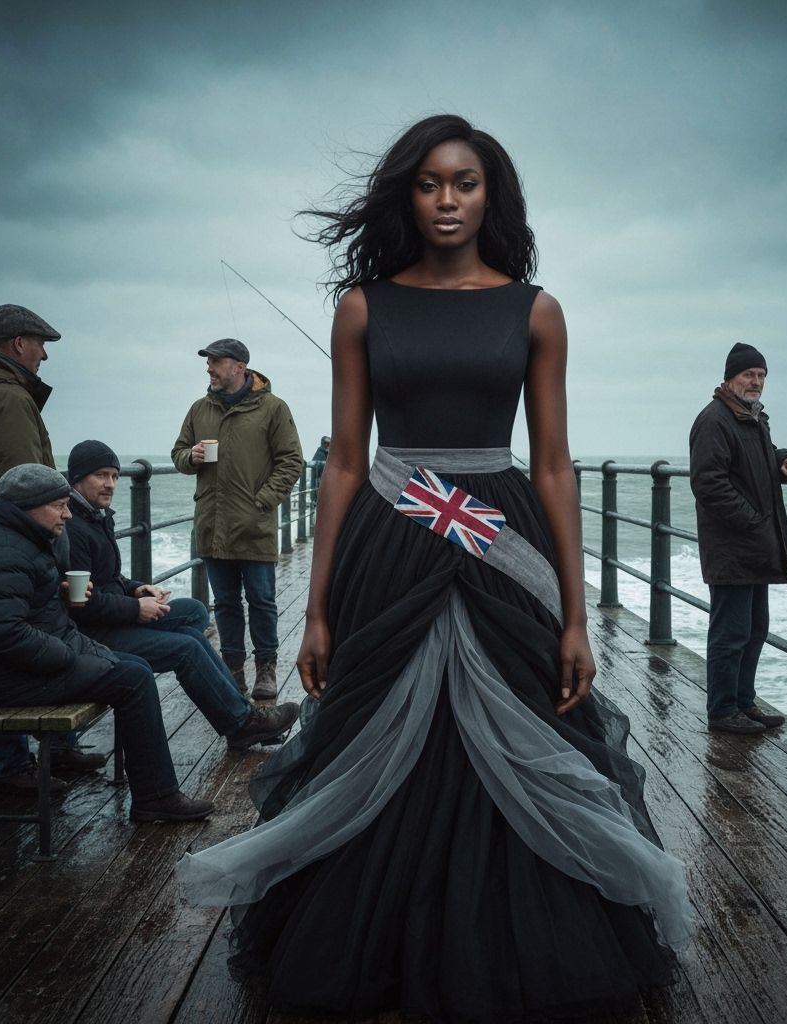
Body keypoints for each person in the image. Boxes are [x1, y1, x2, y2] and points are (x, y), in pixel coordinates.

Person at [178, 114, 692, 1020]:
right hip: (394, 539)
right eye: (428, 184)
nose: (447, 200)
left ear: (491, 195)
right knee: (374, 725)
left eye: (465, 183)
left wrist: (574, 613)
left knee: (523, 724)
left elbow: (555, 464)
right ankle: (371, 939)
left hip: (503, 546)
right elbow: (343, 460)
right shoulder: (363, 307)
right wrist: (317, 610)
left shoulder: (535, 309)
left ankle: (522, 941)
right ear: (406, 196)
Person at [0, 464, 214, 822]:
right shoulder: (3, 554)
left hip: (29, 662)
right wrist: (70, 653)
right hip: (9, 677)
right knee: (133, 679)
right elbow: (5, 636)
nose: (68, 513)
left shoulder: (14, 538)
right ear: (30, 505)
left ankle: (156, 793)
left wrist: (62, 599)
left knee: (133, 669)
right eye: (59, 505)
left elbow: (20, 610)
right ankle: (157, 796)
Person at [64, 440, 300, 750]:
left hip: (113, 617)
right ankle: (242, 723)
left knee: (193, 613)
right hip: (93, 636)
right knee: (187, 645)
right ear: (77, 478)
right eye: (101, 476)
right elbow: (83, 606)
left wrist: (136, 588)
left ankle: (244, 717)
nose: (110, 484)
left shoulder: (96, 516)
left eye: (115, 476)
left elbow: (107, 578)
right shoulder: (72, 528)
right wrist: (135, 608)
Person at [0, 303, 87, 794]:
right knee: (12, 645)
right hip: (7, 552)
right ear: (18, 345)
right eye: (41, 345)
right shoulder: (5, 397)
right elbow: (27, 487)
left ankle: (50, 750)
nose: (44, 356)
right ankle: (7, 765)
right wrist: (56, 546)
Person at [171, 339, 304, 701]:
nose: (209, 368)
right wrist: (191, 457)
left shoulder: (273, 408)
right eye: (208, 362)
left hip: (255, 523)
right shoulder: (200, 409)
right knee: (226, 602)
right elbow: (178, 452)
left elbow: (292, 460)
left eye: (216, 361)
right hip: (212, 523)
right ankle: (233, 669)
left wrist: (262, 501)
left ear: (240, 366)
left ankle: (267, 669)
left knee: (261, 600)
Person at [689, 342, 787, 735]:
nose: (756, 382)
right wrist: (754, 522)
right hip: (734, 547)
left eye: (761, 376)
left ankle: (743, 702)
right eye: (748, 375)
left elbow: (761, 455)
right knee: (731, 632)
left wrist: (784, 456)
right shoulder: (715, 420)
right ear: (730, 378)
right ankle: (723, 712)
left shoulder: (753, 418)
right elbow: (709, 483)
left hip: (753, 546)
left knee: (755, 629)